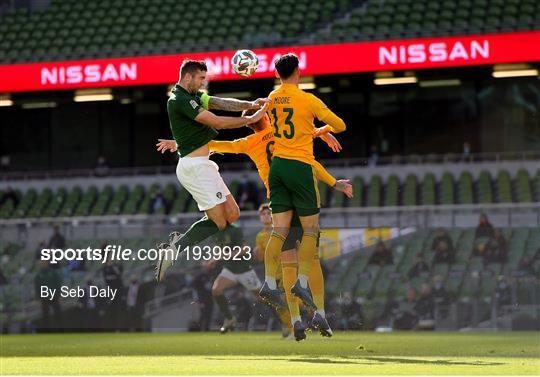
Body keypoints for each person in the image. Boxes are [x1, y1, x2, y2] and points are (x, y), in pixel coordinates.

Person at [156, 98, 352, 340]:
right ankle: (319, 312)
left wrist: (181, 143)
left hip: (279, 202)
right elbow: (312, 137)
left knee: (287, 261)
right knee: (310, 258)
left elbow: (216, 145)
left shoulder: (249, 142)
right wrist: (324, 133)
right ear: (268, 117)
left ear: (250, 124)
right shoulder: (282, 134)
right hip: (301, 195)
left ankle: (295, 320)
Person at [154, 59, 269, 282]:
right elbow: (217, 122)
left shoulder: (194, 96)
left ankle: (180, 243)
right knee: (219, 222)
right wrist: (250, 119)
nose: (203, 83)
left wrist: (251, 104)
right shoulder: (179, 99)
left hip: (205, 165)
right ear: (187, 77)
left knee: (233, 214)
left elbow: (220, 103)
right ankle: (174, 249)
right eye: (200, 78)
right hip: (194, 168)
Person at [262, 53, 347, 337]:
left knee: (281, 237)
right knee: (311, 238)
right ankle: (317, 306)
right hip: (300, 168)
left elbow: (286, 129)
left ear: (277, 74)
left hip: (278, 168)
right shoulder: (307, 99)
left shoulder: (272, 97)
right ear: (298, 71)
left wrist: (310, 132)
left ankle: (273, 290)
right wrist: (321, 130)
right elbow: (340, 125)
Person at [210, 223, 289, 335]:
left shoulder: (234, 229)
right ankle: (230, 318)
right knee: (216, 289)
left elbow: (245, 249)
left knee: (263, 298)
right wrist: (214, 259)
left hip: (244, 270)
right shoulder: (216, 233)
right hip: (229, 269)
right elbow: (221, 250)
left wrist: (228, 256)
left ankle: (285, 323)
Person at [34, 260, 62, 332]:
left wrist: (59, 295)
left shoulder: (53, 273)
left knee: (58, 314)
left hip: (54, 296)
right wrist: (38, 298)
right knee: (45, 315)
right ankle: (46, 331)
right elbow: (37, 287)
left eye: (45, 263)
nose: (43, 264)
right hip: (44, 297)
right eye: (42, 263)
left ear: (48, 263)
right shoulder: (38, 275)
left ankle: (60, 329)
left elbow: (58, 284)